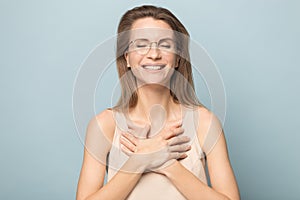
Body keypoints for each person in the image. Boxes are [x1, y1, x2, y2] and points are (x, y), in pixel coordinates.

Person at [76, 5, 240, 200]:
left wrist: (166, 163)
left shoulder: (205, 122)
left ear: (178, 58)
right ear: (127, 58)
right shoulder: (104, 125)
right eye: (141, 44)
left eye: (165, 45)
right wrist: (139, 160)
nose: (154, 54)